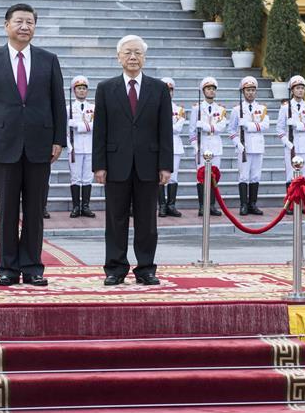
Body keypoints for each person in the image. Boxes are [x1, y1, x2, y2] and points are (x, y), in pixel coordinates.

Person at [0, 3, 67, 287]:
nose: (24, 26)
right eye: (19, 21)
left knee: (34, 209)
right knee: (7, 211)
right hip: (4, 144)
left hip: (41, 145)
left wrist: (59, 139)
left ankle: (32, 267)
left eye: (29, 22)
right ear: (7, 25)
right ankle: (8, 267)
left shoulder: (48, 59)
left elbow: (58, 103)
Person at [93, 35, 173, 286]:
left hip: (148, 165)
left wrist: (165, 165)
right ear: (118, 57)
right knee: (115, 220)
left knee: (147, 221)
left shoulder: (158, 89)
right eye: (127, 52)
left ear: (144, 57)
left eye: (138, 53)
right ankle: (115, 268)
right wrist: (99, 165)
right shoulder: (105, 88)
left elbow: (165, 130)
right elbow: (100, 130)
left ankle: (146, 268)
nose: (132, 57)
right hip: (116, 164)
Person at [228, 76, 269, 216]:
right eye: (247, 90)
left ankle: (253, 204)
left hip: (257, 146)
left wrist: (249, 125)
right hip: (243, 147)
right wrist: (237, 144)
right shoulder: (236, 110)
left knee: (256, 176)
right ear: (243, 92)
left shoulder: (262, 108)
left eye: (252, 90)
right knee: (244, 176)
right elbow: (231, 130)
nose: (250, 93)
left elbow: (265, 125)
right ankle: (243, 204)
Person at [275, 75, 305, 214]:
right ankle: (290, 204)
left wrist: (298, 125)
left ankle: (304, 204)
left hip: (304, 143)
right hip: (291, 145)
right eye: (297, 88)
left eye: (302, 88)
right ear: (292, 90)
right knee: (290, 176)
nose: (300, 91)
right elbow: (279, 129)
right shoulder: (285, 107)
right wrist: (287, 143)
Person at [190, 77, 227, 217]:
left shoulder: (221, 109)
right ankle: (202, 206)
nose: (211, 91)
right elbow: (192, 131)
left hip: (216, 145)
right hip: (202, 144)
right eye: (208, 89)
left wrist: (205, 126)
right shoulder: (196, 109)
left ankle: (211, 205)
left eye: (213, 89)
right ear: (203, 91)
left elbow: (221, 127)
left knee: (214, 176)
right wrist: (195, 146)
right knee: (201, 177)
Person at [66, 75, 95, 219]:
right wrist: (69, 145)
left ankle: (86, 206)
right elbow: (64, 130)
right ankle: (76, 206)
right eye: (79, 89)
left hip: (90, 147)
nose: (82, 91)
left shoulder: (93, 108)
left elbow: (96, 126)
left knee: (88, 178)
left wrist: (78, 125)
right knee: (76, 178)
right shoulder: (68, 109)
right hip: (75, 148)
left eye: (84, 88)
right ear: (74, 91)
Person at [159, 77, 184, 218]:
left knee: (173, 177)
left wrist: (165, 127)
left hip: (175, 145)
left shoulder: (179, 109)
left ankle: (171, 205)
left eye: (170, 90)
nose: (168, 93)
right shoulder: (153, 107)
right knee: (160, 177)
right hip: (160, 146)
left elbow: (178, 128)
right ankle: (162, 205)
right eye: (165, 90)